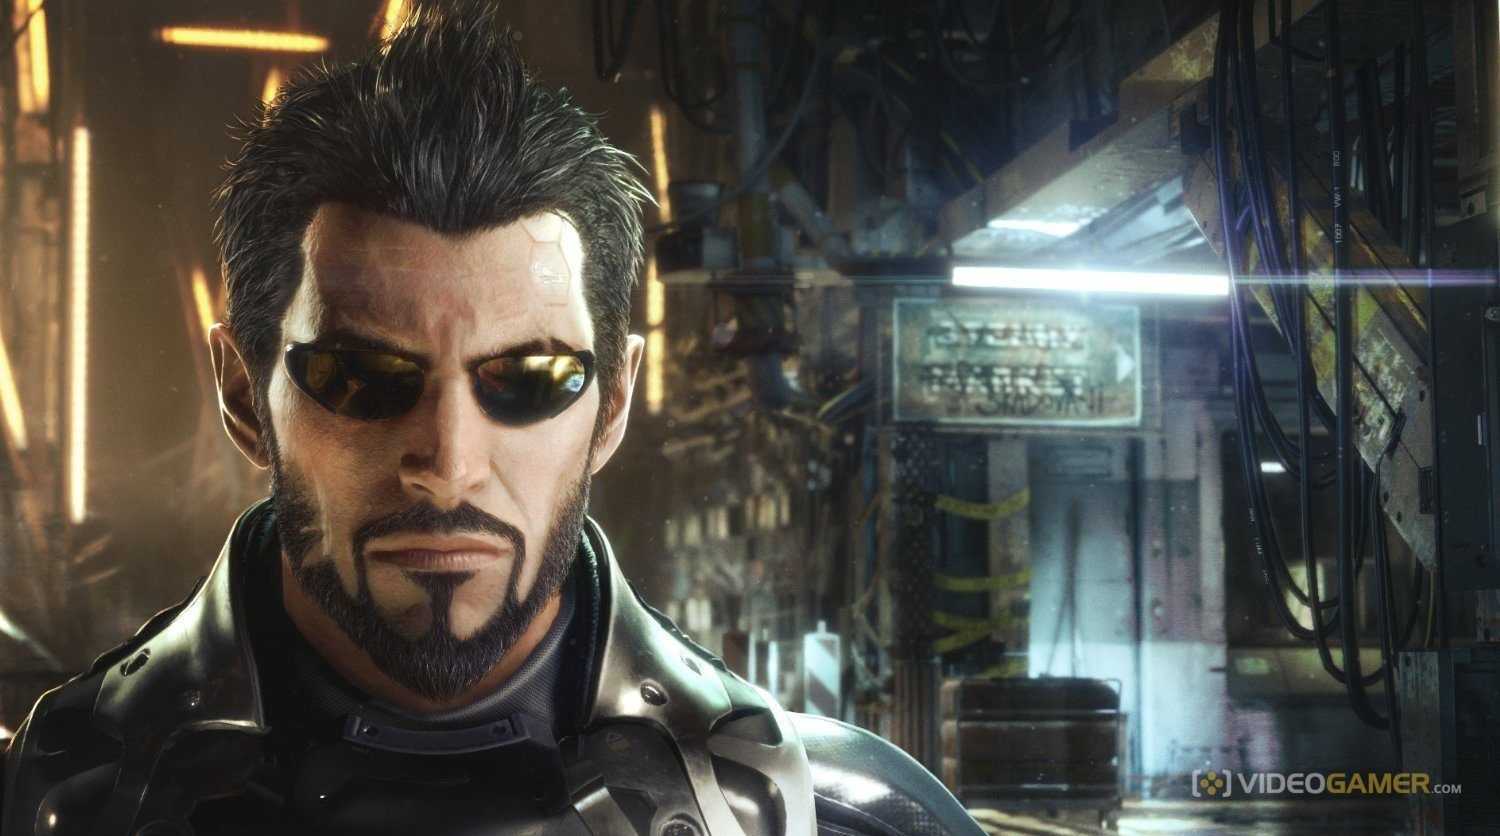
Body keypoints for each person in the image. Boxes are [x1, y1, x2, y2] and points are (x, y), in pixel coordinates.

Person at [1, 4, 983, 833]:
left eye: (530, 379)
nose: (449, 461)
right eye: (362, 378)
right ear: (241, 394)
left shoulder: (829, 815)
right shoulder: (54, 801)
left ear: (612, 404)